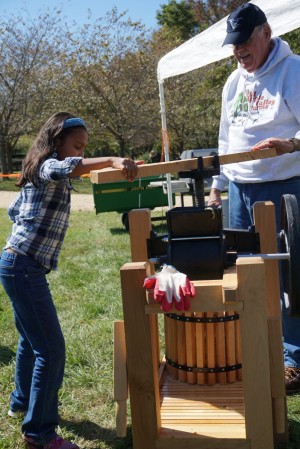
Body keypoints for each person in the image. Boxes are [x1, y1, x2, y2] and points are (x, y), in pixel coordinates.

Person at [0, 112, 143, 449]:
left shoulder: (39, 172)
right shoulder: (49, 166)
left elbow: (14, 210)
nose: (80, 154)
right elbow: (64, 168)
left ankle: (21, 403)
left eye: (84, 149)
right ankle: (39, 434)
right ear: (56, 141)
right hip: (23, 267)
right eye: (77, 146)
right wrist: (110, 158)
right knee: (51, 350)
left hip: (16, 263)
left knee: (29, 340)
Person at [207, 3, 300, 394]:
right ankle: (251, 346)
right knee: (241, 269)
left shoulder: (294, 70)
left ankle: (292, 358)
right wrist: (218, 185)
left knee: (287, 274)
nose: (238, 51)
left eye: (244, 42)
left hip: (283, 187)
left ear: (265, 32)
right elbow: (226, 140)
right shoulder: (233, 82)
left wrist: (289, 144)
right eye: (233, 45)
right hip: (240, 190)